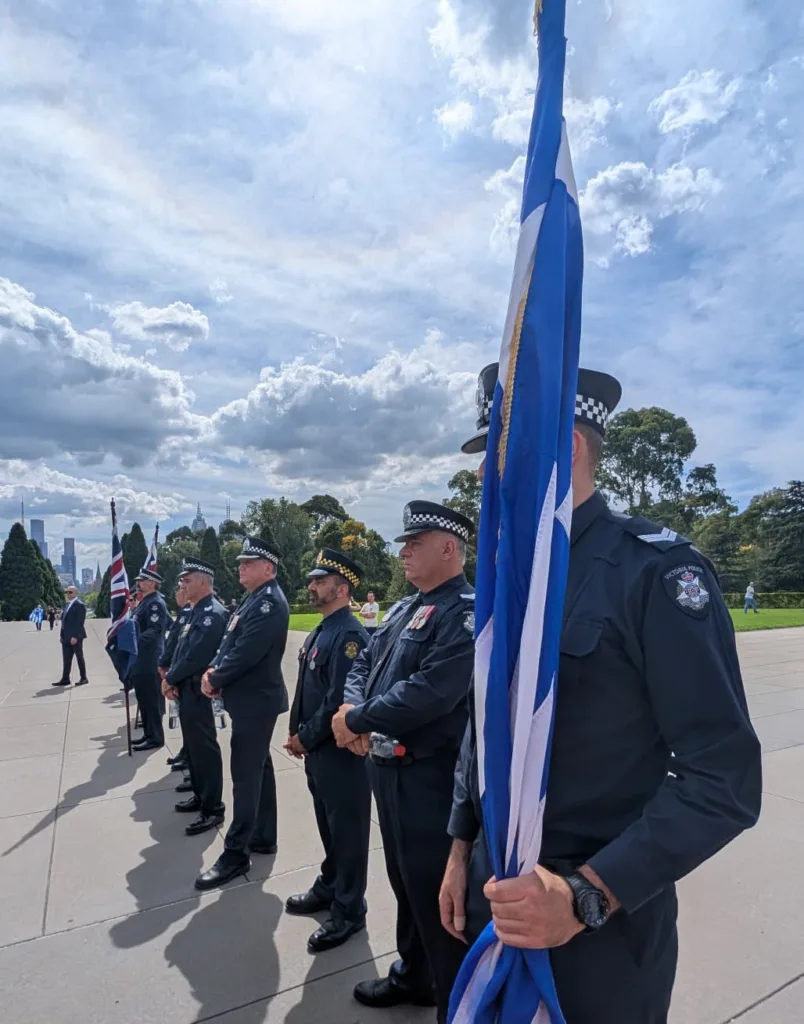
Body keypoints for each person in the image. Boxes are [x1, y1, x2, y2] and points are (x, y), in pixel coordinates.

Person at [439, 364, 762, 1024]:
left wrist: (589, 893)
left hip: (597, 930)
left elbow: (722, 777)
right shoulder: (508, 579)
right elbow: (486, 724)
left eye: (496, 451)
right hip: (495, 897)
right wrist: (459, 848)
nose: (480, 477)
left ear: (568, 448)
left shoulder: (654, 572)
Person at [332, 501, 476, 1023]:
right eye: (405, 543)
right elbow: (365, 660)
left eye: (416, 542)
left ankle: (455, 1000)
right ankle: (414, 977)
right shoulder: (401, 608)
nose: (404, 551)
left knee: (438, 896)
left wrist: (360, 718)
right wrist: (350, 709)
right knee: (403, 881)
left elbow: (431, 692)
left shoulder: (464, 611)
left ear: (448, 547)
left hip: (428, 778)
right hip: (387, 773)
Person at [285, 548, 371, 953]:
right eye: (313, 580)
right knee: (329, 826)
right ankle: (331, 884)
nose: (312, 586)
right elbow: (308, 690)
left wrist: (305, 735)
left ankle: (350, 909)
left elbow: (338, 699)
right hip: (319, 750)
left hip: (338, 752)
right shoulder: (323, 629)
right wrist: (297, 732)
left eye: (320, 581)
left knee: (348, 832)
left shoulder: (350, 635)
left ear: (341, 588)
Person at [195, 534, 290, 890]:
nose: (240, 569)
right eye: (240, 564)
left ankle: (236, 853)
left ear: (268, 568)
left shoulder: (269, 603)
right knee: (259, 770)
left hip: (256, 702)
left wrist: (215, 676)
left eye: (247, 564)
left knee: (245, 777)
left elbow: (247, 651)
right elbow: (229, 642)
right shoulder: (253, 600)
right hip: (249, 700)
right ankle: (263, 837)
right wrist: (214, 669)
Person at [162, 558, 228, 836]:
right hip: (186, 689)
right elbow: (180, 650)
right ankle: (201, 796)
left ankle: (213, 808)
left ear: (202, 581)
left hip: (199, 690)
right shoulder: (197, 612)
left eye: (186, 580)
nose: (182, 585)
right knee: (194, 749)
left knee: (204, 750)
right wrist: (172, 678)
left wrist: (170, 679)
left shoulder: (212, 613)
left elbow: (197, 655)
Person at [129, 569, 172, 751]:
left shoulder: (155, 603)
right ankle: (148, 734)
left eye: (143, 580)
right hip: (141, 658)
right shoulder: (144, 602)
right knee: (144, 699)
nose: (139, 583)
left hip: (150, 658)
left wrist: (132, 640)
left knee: (152, 700)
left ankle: (155, 737)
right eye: (139, 580)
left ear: (152, 583)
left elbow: (154, 631)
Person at [161, 579, 192, 777]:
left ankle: (190, 757)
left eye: (181, 590)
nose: (179, 594)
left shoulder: (190, 613)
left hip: (186, 676)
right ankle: (186, 751)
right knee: (185, 720)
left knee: (192, 725)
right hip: (176, 670)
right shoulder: (184, 613)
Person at [54, 586, 88, 686]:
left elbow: (80, 622)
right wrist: (62, 635)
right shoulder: (67, 605)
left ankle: (84, 678)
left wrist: (75, 636)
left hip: (75, 637)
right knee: (66, 658)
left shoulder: (79, 605)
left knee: (79, 657)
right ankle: (65, 679)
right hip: (66, 636)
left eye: (70, 592)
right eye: (67, 592)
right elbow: (64, 621)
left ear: (75, 593)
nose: (68, 594)